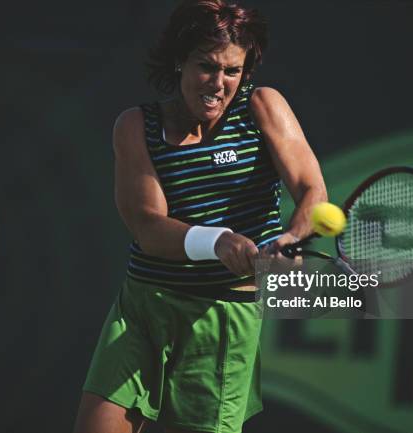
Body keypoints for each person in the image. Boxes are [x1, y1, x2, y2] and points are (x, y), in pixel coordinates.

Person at [73, 1, 326, 432]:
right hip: (143, 306)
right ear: (179, 61)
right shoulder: (135, 126)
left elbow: (311, 191)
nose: (219, 83)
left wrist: (292, 238)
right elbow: (149, 226)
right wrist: (220, 241)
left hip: (223, 317)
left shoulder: (263, 107)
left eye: (232, 71)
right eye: (206, 66)